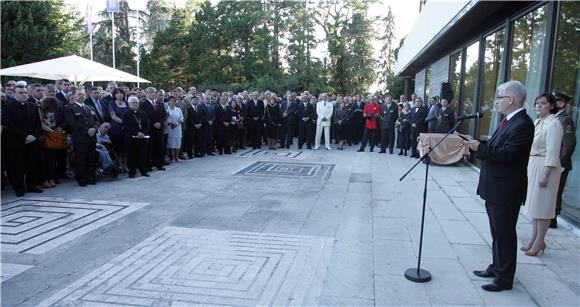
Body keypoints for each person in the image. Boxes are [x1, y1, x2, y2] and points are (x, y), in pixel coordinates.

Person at [464, 80, 534, 292]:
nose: (496, 102)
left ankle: (504, 279)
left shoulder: (522, 123)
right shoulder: (508, 121)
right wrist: (478, 144)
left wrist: (479, 148)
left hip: (506, 190)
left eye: (499, 98)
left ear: (511, 99)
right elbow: (497, 147)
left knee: (504, 234)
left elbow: (508, 155)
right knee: (497, 233)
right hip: (495, 187)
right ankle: (497, 267)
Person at [521, 93, 563, 256]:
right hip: (534, 164)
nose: (539, 106)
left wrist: (545, 174)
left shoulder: (554, 124)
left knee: (543, 207)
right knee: (535, 206)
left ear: (551, 106)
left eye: (543, 103)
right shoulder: (538, 122)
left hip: (546, 167)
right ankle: (534, 239)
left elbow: (553, 151)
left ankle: (539, 242)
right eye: (537, 103)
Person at [2, 84, 43, 196]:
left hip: (32, 141)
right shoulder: (8, 107)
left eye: (25, 92)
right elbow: (9, 124)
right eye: (20, 93)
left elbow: (38, 124)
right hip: (16, 142)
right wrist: (25, 136)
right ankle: (19, 188)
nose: (23, 95)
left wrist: (34, 136)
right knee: (17, 167)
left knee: (32, 165)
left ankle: (32, 186)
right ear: (14, 93)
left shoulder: (32, 106)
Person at [65, 87, 99, 187]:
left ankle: (91, 177)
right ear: (74, 96)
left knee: (91, 158)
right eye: (79, 94)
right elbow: (72, 123)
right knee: (81, 159)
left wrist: (94, 128)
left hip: (92, 137)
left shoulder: (90, 107)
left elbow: (96, 120)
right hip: (80, 138)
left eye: (83, 94)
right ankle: (82, 178)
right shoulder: (70, 108)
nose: (81, 96)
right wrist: (87, 130)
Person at [551, 91, 576, 228]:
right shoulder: (555, 118)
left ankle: (553, 218)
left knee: (556, 191)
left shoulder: (565, 120)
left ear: (561, 103)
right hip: (554, 163)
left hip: (560, 164)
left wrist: (560, 164)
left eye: (554, 101)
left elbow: (569, 145)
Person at [122, 96, 150, 178]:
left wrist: (143, 133)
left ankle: (143, 171)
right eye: (133, 102)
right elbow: (126, 126)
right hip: (131, 138)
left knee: (142, 155)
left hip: (142, 138)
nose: (135, 104)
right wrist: (137, 133)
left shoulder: (143, 113)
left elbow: (147, 124)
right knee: (131, 156)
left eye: (137, 102)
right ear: (129, 104)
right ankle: (132, 172)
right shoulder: (125, 114)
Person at [140, 87, 167, 170]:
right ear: (146, 93)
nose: (152, 94)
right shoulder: (143, 104)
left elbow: (164, 115)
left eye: (154, 92)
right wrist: (153, 124)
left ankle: (159, 164)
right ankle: (148, 165)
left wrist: (160, 123)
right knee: (149, 148)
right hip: (150, 129)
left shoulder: (160, 103)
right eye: (150, 92)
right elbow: (144, 117)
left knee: (159, 147)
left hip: (159, 129)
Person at [38, 96, 62, 188]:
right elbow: (40, 124)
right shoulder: (38, 108)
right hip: (42, 137)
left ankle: (51, 178)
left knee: (52, 159)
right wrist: (51, 130)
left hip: (50, 137)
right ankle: (44, 179)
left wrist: (50, 124)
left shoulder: (49, 111)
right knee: (43, 160)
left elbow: (53, 122)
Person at [108, 88, 130, 172]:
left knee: (126, 148)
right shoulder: (111, 103)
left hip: (127, 129)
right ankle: (119, 165)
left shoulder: (127, 103)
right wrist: (123, 122)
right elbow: (113, 116)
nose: (120, 94)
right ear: (114, 95)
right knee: (118, 149)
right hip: (116, 128)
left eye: (121, 93)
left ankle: (125, 165)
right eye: (117, 93)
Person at [166, 96, 184, 161]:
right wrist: (171, 123)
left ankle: (177, 157)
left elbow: (182, 118)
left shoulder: (178, 109)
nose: (172, 102)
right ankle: (172, 157)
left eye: (174, 101)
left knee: (177, 143)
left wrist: (176, 123)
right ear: (168, 102)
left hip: (177, 127)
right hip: (170, 127)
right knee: (171, 143)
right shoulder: (167, 109)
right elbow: (166, 118)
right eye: (171, 101)